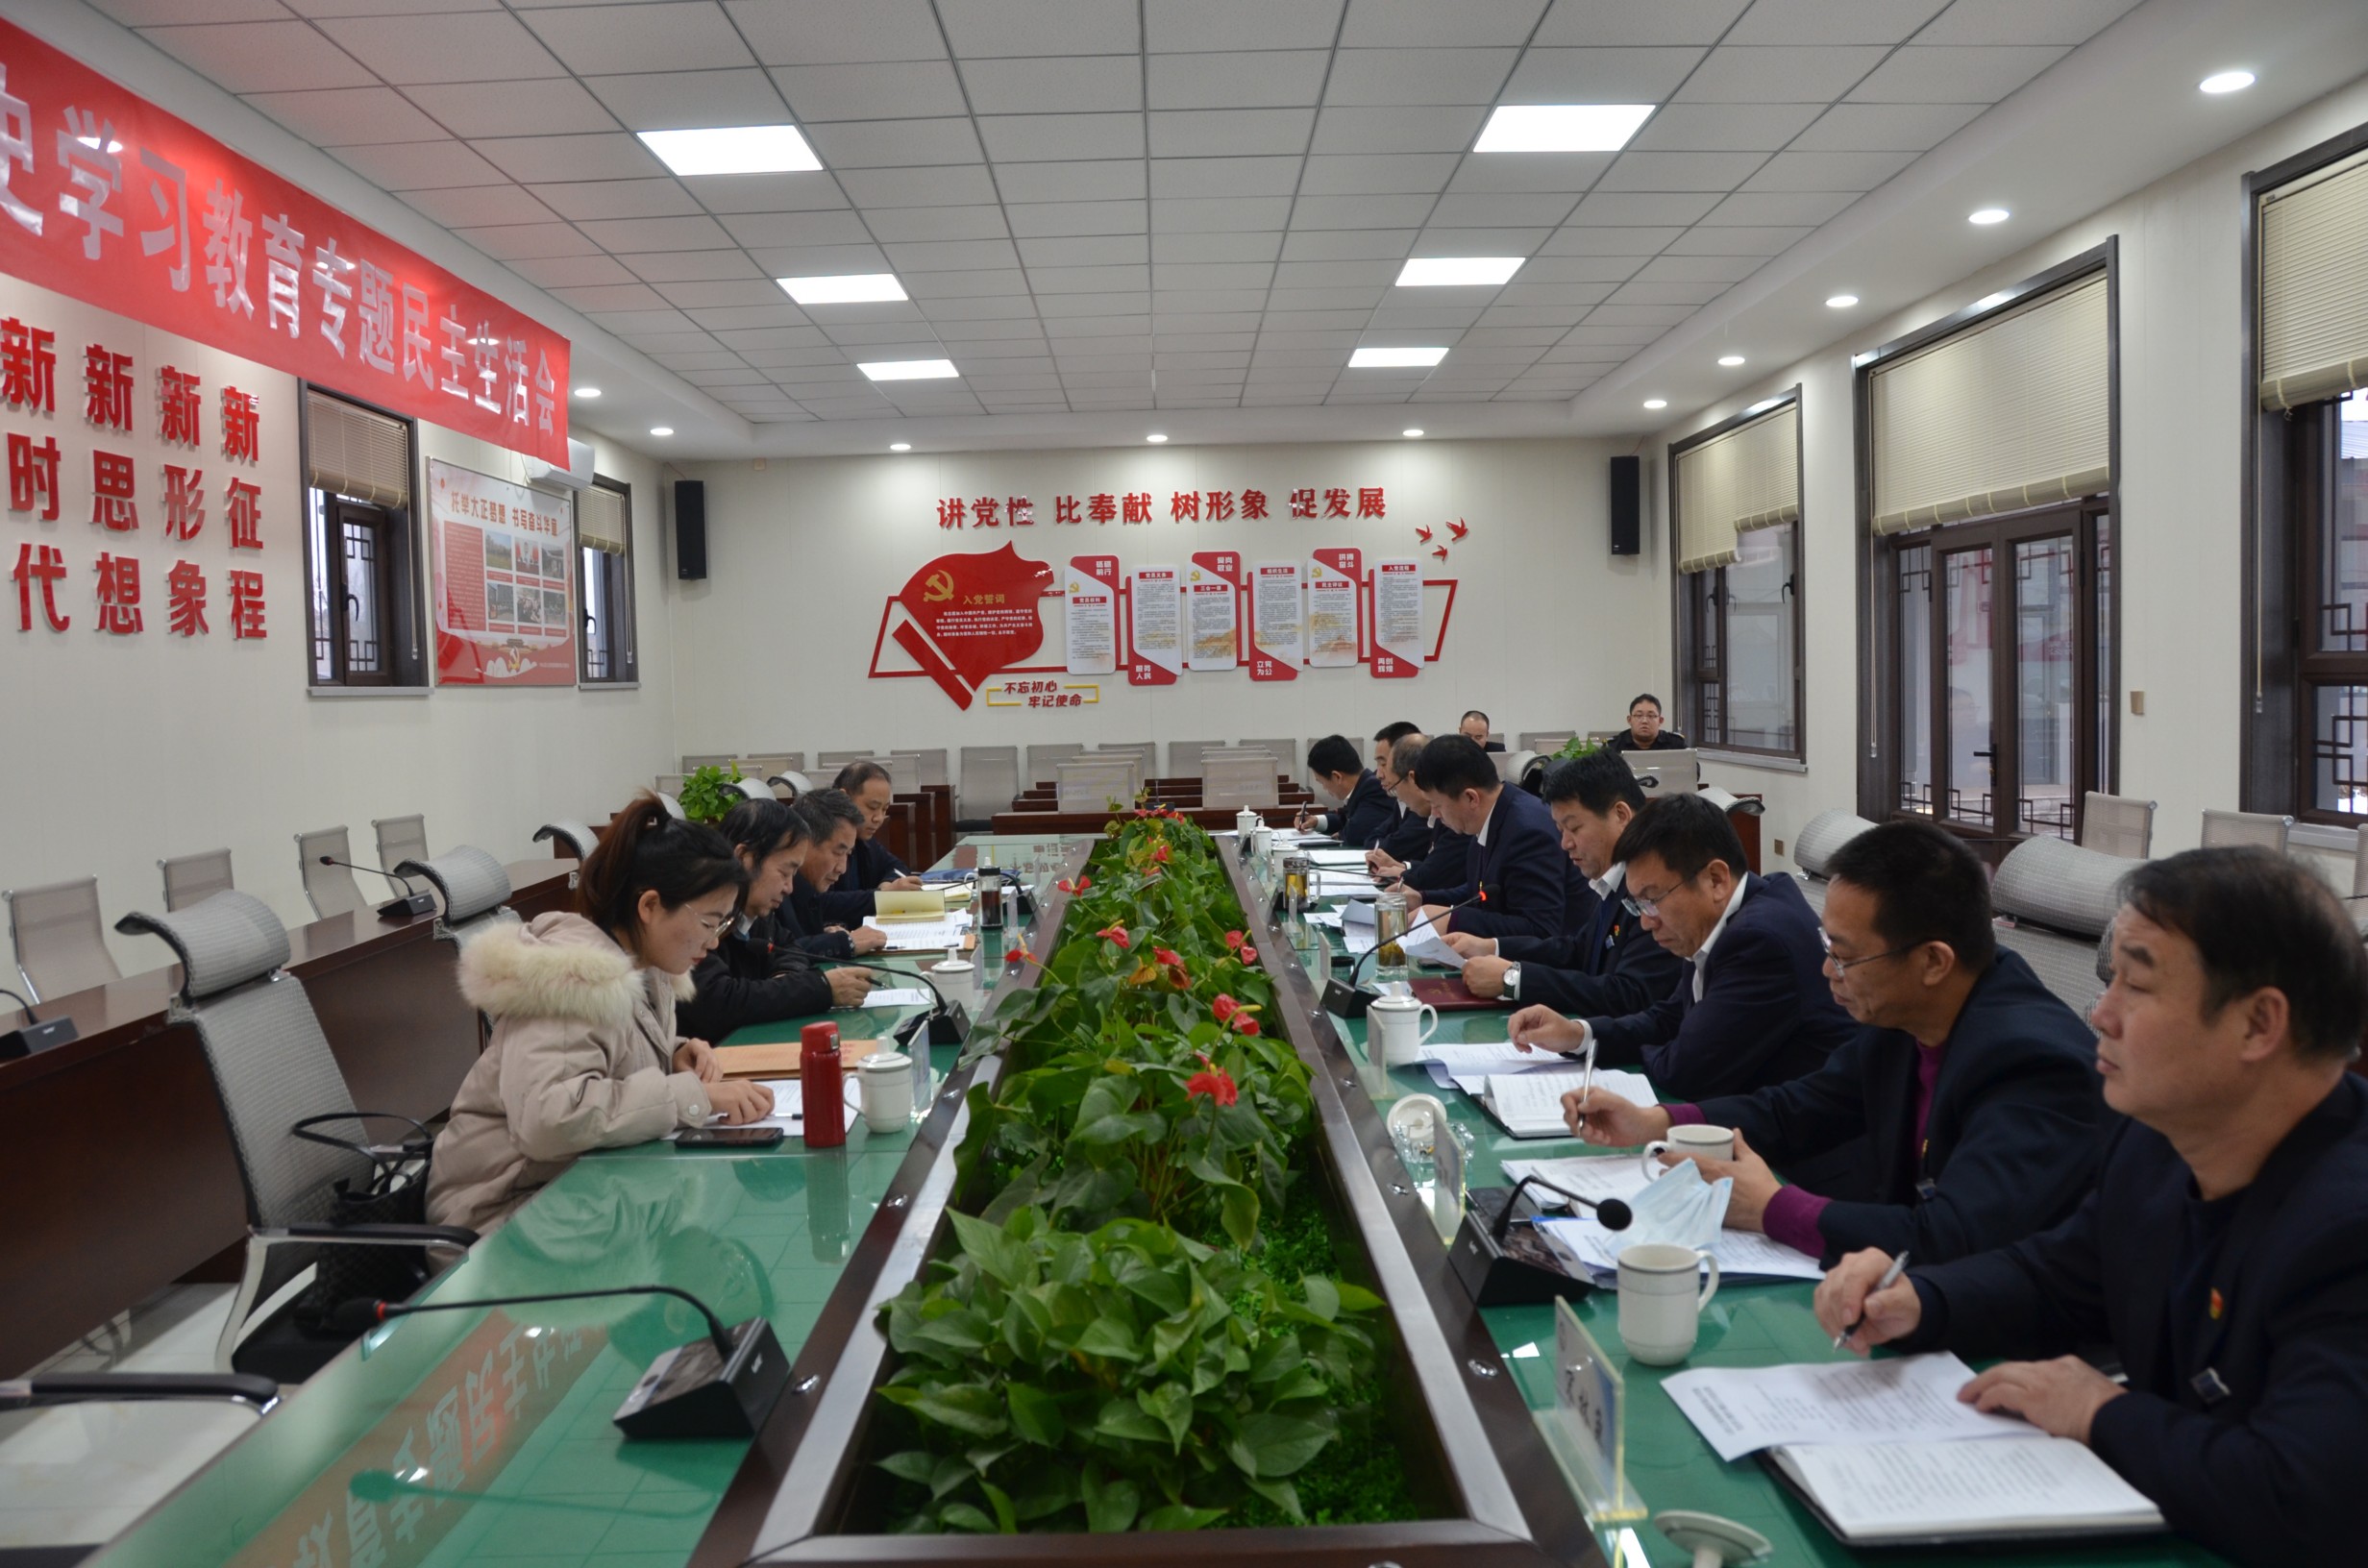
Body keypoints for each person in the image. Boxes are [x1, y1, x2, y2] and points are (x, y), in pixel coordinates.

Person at [1815, 846, 2368, 1567]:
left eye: (2136, 986)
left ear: (2259, 1024)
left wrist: (2099, 1411)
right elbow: (2061, 1276)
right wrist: (1921, 1298)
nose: (2100, 1014)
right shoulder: (2155, 1144)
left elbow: (2304, 1500)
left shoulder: (2347, 1228)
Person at [1565, 820, 2104, 1264]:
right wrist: (1656, 1123)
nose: (1826, 970)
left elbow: (1953, 1236)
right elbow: (1802, 1106)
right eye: (1828, 947)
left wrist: (1772, 1208)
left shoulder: (2028, 1063)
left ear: (1933, 961)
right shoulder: (1910, 1014)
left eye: (1844, 956)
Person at [429, 796, 775, 1234]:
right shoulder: (570, 981)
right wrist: (691, 1095)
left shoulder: (644, 966)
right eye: (709, 923)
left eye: (722, 925)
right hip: (504, 1215)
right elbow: (549, 1121)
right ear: (649, 906)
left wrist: (674, 1053)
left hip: (574, 1196)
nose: (713, 942)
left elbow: (602, 1052)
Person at [1509, 794, 1854, 1105]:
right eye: (1637, 904)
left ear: (1715, 880)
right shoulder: (1722, 914)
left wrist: (1658, 1049)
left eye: (1652, 899)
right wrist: (1577, 1035)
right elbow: (1670, 1017)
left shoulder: (1760, 941)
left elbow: (1685, 1071)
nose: (1646, 922)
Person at [1445, 749, 1683, 1016]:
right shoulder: (1614, 877)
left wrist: (1514, 980)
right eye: (1561, 831)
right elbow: (1579, 951)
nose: (1565, 844)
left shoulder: (1657, 885)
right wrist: (1492, 947)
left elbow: (1630, 995)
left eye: (1575, 828)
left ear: (1620, 815)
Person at [678, 797, 878, 1042]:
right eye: (784, 872)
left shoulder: (757, 911)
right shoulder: (698, 912)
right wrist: (818, 989)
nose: (789, 888)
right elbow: (718, 1000)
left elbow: (790, 948)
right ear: (744, 858)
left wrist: (786, 980)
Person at [1410, 733, 1589, 943]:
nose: (1434, 814)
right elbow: (1482, 892)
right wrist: (1423, 898)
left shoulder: (1527, 833)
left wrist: (1454, 919)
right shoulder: (1493, 816)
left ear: (1471, 798)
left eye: (1437, 805)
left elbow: (1540, 929)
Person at [781, 791, 888, 960]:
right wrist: (844, 943)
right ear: (804, 843)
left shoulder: (808, 886)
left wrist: (824, 936)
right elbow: (774, 954)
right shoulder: (776, 889)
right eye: (838, 853)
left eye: (848, 854)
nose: (842, 868)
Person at [816, 759, 922, 923]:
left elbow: (896, 866)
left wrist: (887, 884)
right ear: (844, 798)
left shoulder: (863, 840)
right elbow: (820, 903)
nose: (878, 818)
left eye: (884, 809)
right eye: (872, 807)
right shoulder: (819, 837)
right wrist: (882, 896)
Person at [1296, 733, 1396, 847]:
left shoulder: (1375, 788)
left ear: (1337, 777)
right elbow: (1346, 818)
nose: (1324, 788)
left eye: (1322, 782)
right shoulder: (1363, 787)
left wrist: (1341, 834)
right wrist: (1315, 821)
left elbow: (1357, 833)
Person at [1371, 726, 1436, 868]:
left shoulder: (1429, 807)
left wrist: (1404, 869)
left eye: (1385, 764)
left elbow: (1392, 848)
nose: (1379, 774)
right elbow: (1373, 839)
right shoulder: (1402, 799)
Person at [1601, 693, 1689, 753]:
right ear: (1629, 720)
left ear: (1660, 720)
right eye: (1639, 716)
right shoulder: (1612, 747)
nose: (1644, 721)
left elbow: (1691, 769)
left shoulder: (1676, 744)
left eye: (1651, 716)